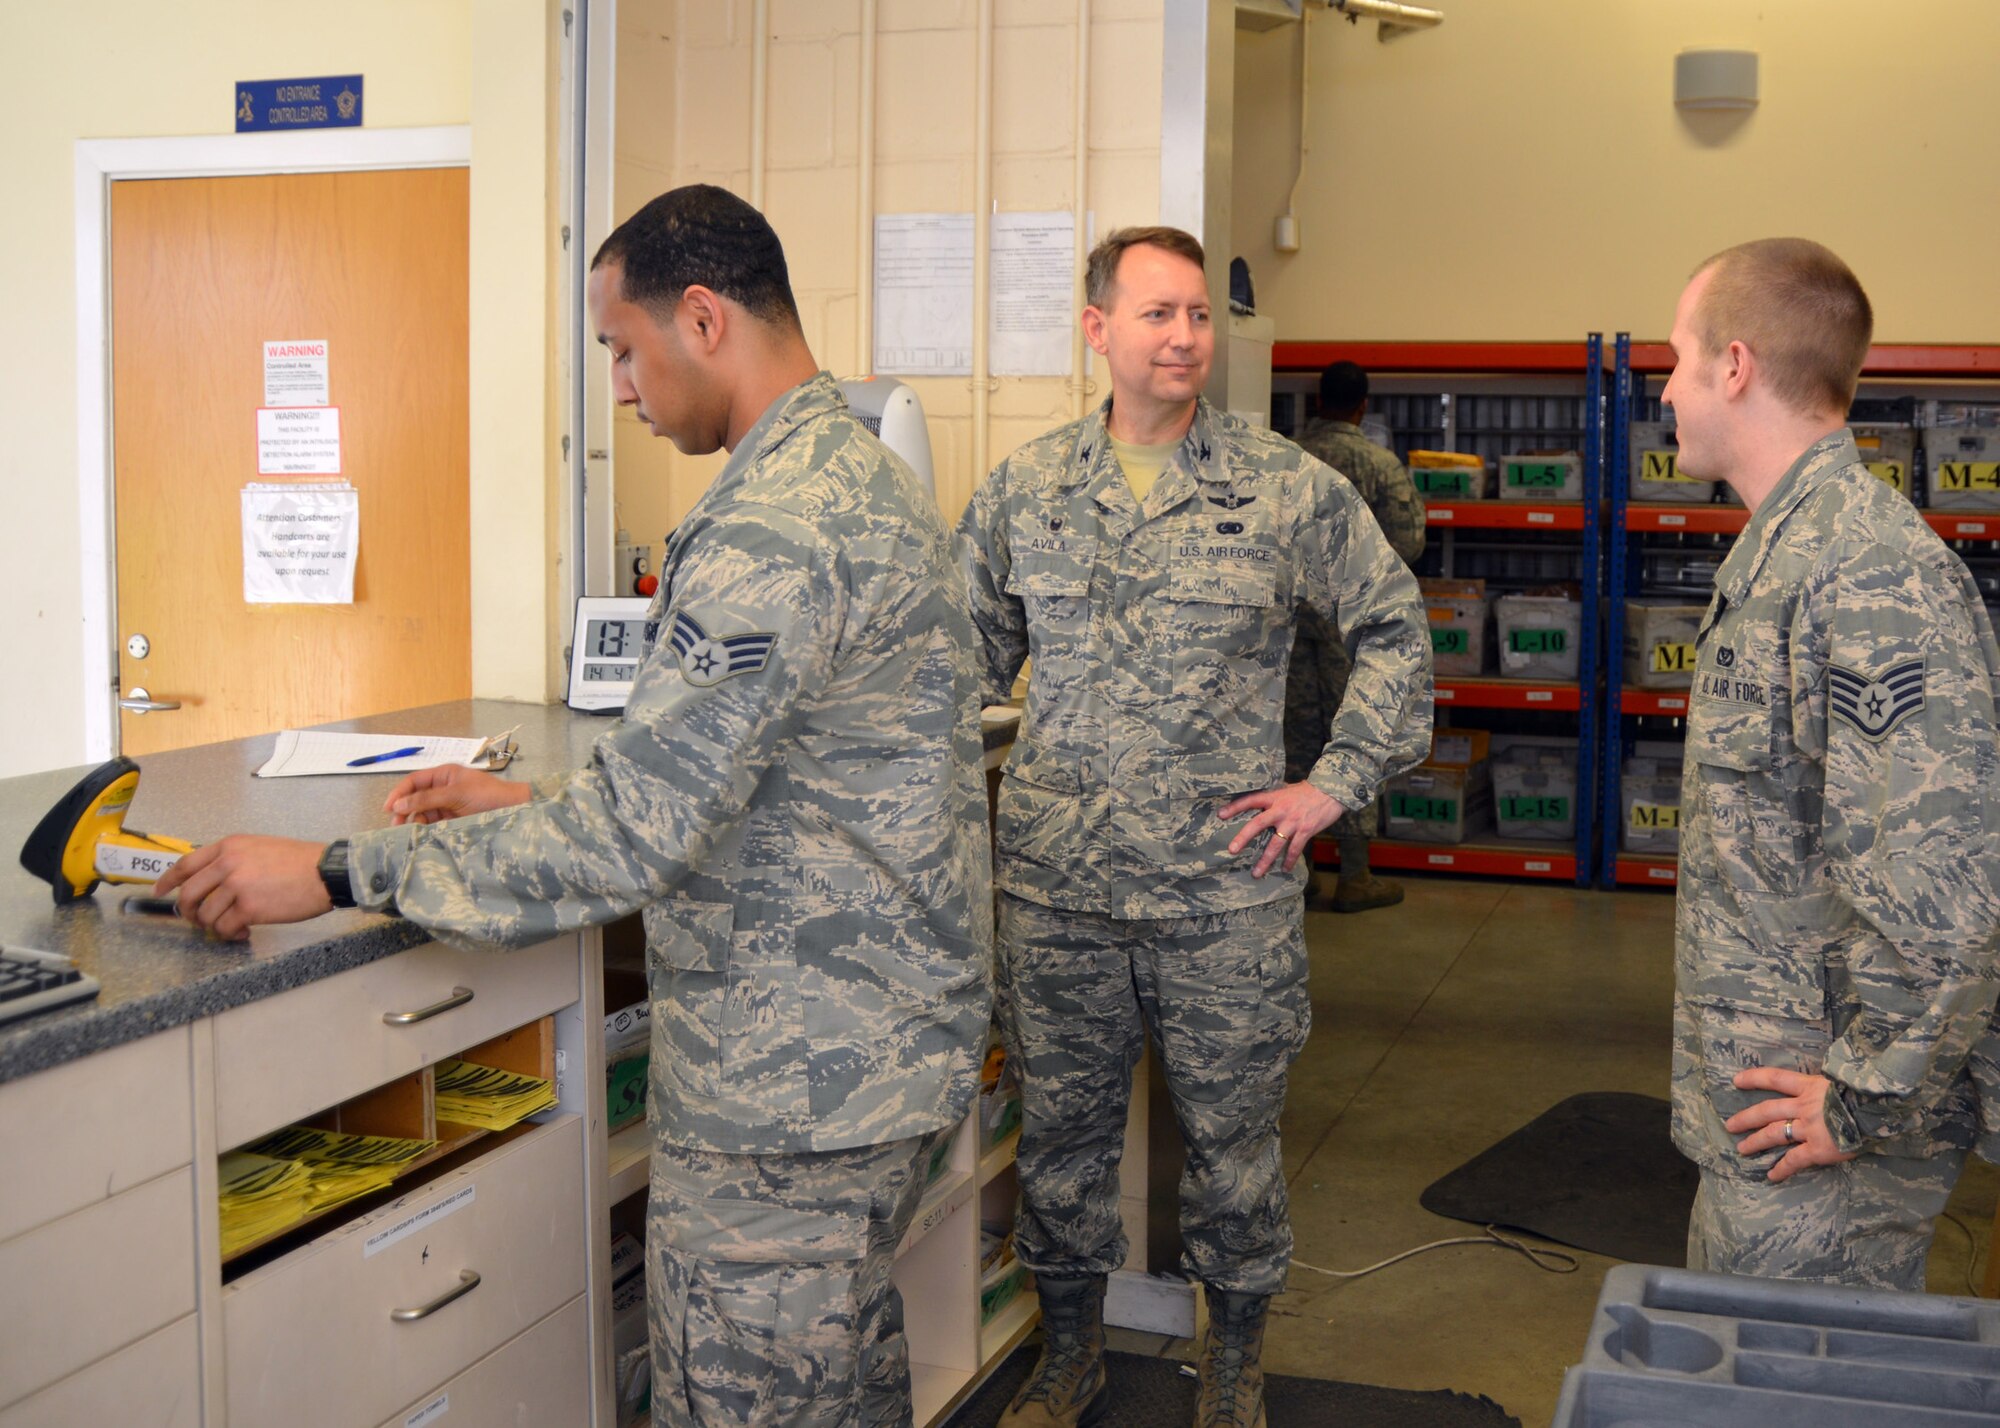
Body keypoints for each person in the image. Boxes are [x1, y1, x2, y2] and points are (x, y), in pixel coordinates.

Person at [155, 184, 994, 1427]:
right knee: (845, 1384)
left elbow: (631, 841)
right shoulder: (856, 474)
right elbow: (762, 774)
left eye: (620, 346)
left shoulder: (771, 524)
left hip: (793, 1095)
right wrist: (533, 796)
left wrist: (333, 872)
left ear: (699, 318)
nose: (618, 385)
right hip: (872, 1063)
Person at [959, 226, 1431, 1428]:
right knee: (1060, 1147)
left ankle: (1232, 1365)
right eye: (1157, 314)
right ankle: (1069, 1355)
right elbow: (952, 662)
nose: (1183, 338)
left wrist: (1330, 784)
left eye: (1197, 318)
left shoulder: (1283, 487)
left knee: (1234, 1150)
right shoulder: (1025, 488)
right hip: (1059, 891)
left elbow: (1392, 629)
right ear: (1097, 330)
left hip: (1225, 893)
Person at [1664, 237, 2000, 1291]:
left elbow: (1944, 891)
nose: (1663, 390)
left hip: (1823, 1137)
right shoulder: (1786, 551)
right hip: (1767, 1109)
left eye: (1675, 359)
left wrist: (1863, 1099)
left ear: (1733, 366)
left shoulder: (1863, 574)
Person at [1284, 360, 1426, 912]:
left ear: (1318, 401)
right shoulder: (1376, 462)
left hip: (1288, 631)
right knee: (1356, 735)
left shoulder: (1285, 462)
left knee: (1291, 740)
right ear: (1363, 406)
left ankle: (1299, 868)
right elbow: (1409, 542)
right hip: (1353, 631)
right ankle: (1356, 873)